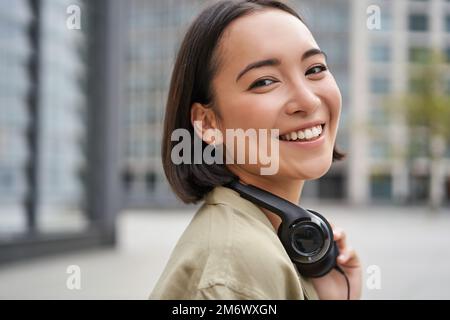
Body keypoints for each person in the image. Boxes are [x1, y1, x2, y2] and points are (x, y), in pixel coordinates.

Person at [150, 0, 362, 300]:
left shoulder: (255, 240)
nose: (308, 100)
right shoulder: (237, 266)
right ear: (208, 123)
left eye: (315, 69)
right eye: (264, 81)